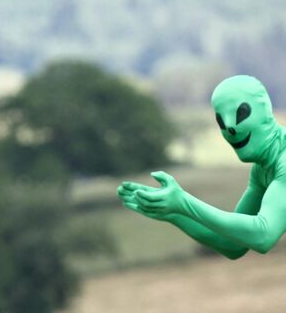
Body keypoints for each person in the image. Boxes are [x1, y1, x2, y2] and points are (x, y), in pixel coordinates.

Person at [118, 74, 286, 259]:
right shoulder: (261, 170)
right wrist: (173, 212)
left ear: (265, 111)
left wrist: (184, 202)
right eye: (221, 121)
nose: (230, 127)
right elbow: (233, 245)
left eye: (241, 113)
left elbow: (263, 236)